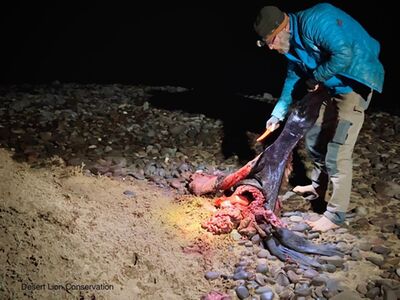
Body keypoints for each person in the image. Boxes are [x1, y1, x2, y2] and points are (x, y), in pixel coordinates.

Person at [253, 3, 384, 231]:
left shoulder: (316, 20)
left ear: (282, 28)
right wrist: (277, 115)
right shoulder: (291, 46)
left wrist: (316, 77)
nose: (271, 48)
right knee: (314, 137)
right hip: (328, 86)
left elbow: (344, 54)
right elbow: (292, 81)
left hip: (353, 83)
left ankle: (335, 215)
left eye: (271, 41)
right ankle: (317, 186)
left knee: (338, 151)